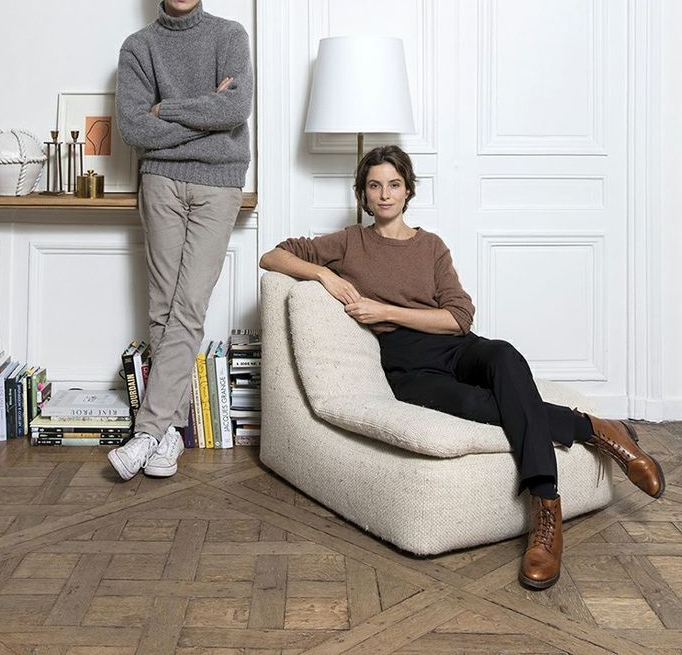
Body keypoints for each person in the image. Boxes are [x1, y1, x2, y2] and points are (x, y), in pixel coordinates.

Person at [259, 145, 664, 590]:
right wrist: (325, 275)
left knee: (504, 354)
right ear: (362, 193)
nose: (384, 194)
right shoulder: (349, 242)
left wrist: (386, 311)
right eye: (374, 185)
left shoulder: (431, 247)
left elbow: (458, 317)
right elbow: (272, 256)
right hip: (409, 367)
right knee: (480, 404)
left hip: (454, 346)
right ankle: (591, 437)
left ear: (408, 190)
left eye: (394, 184)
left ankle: (545, 500)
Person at [109, 0, 252, 481]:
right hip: (161, 183)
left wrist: (169, 110)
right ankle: (170, 431)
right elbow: (134, 127)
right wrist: (203, 113)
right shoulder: (138, 47)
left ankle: (146, 432)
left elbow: (236, 110)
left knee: (189, 305)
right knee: (163, 308)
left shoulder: (230, 35)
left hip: (219, 185)